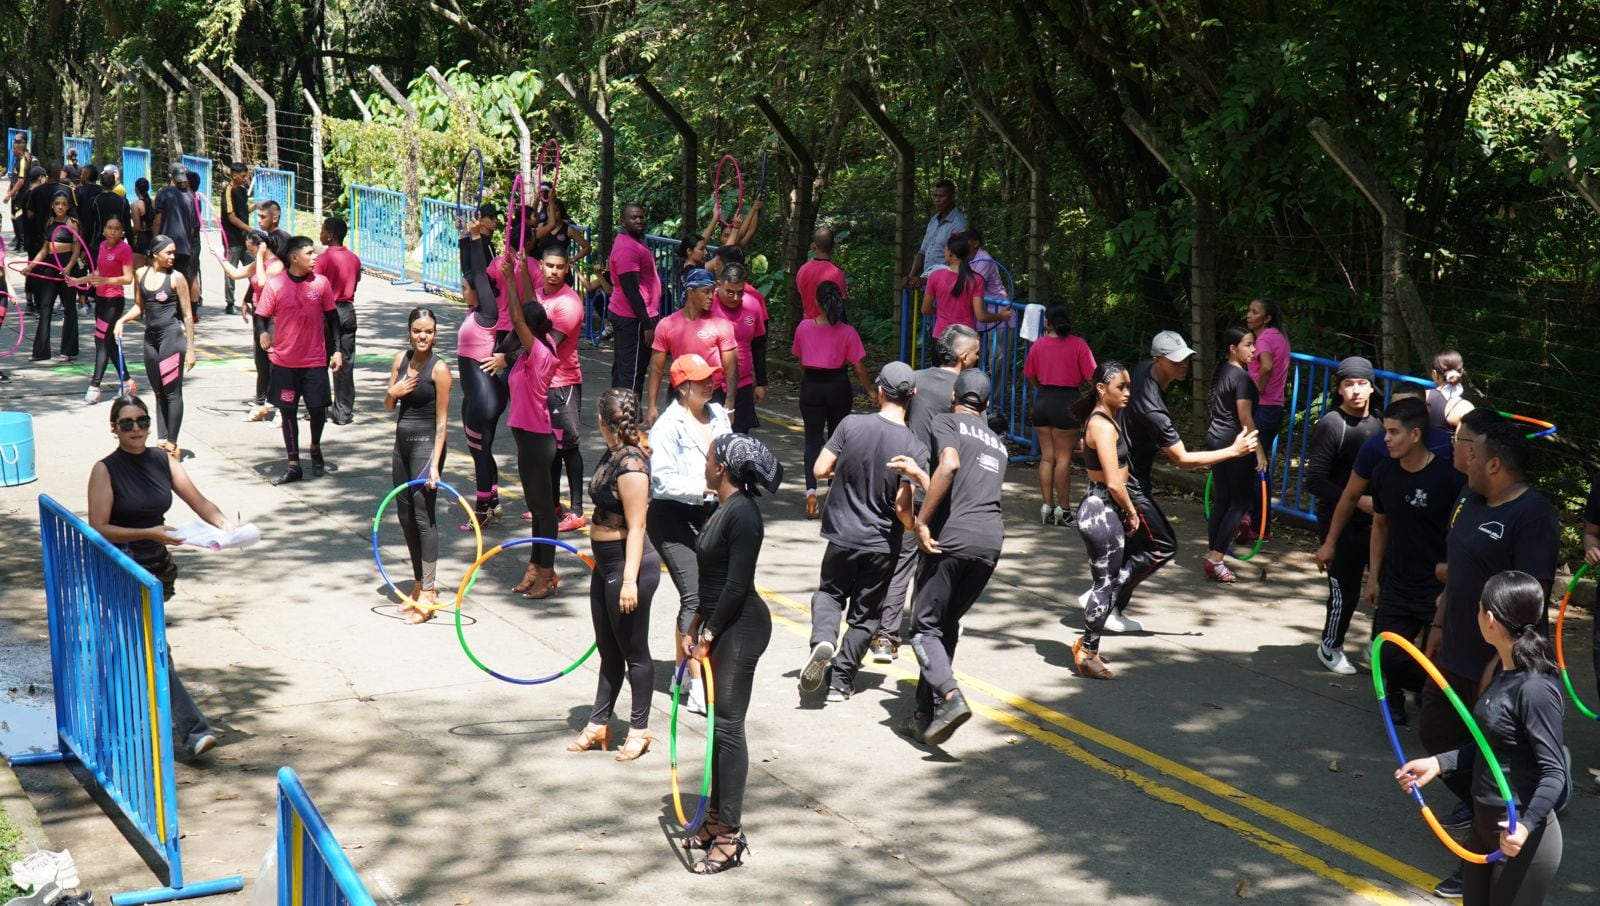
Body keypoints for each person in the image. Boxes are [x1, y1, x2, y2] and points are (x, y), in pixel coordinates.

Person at [1397, 571, 1566, 905]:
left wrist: (1525, 826)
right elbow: (1490, 747)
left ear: (1489, 619)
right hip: (1485, 826)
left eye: (1478, 609)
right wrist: (1438, 763)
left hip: (1522, 835)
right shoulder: (1504, 671)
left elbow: (1555, 771)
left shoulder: (1535, 688)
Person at [88, 394, 231, 761]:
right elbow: (100, 528)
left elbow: (199, 502)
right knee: (153, 649)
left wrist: (226, 527)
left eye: (142, 421)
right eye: (127, 423)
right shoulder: (105, 469)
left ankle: (105, 728)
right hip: (123, 568)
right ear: (114, 429)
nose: (136, 429)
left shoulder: (162, 460)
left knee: (133, 649)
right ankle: (194, 731)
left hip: (157, 568)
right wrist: (150, 532)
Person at [679, 433, 781, 874]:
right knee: (718, 730)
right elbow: (713, 579)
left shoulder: (744, 515)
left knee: (728, 729)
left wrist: (710, 632)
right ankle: (716, 819)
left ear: (721, 467)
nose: (703, 463)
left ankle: (731, 837)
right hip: (721, 623)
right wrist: (694, 622)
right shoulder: (722, 508)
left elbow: (737, 586)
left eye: (707, 457)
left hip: (742, 628)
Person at [890, 370, 1006, 746]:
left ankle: (952, 698)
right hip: (989, 543)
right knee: (947, 623)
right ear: (986, 406)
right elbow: (967, 487)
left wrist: (922, 522)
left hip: (953, 540)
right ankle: (926, 714)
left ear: (954, 396)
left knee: (924, 628)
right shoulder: (998, 443)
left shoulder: (946, 421)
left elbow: (951, 465)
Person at [802, 362, 926, 703]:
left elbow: (820, 468)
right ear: (912, 396)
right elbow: (904, 506)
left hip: (842, 534)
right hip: (882, 543)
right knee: (866, 614)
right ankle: (841, 680)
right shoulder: (914, 447)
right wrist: (909, 527)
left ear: (880, 392)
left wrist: (849, 469)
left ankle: (824, 638)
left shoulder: (850, 424)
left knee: (829, 594)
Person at [1118, 331, 1258, 631]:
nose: (1183, 365)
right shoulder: (1154, 408)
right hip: (1128, 478)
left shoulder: (1143, 370)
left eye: (1185, 358)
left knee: (1133, 543)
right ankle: (1105, 596)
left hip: (1127, 469)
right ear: (1158, 360)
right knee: (1163, 545)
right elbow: (1181, 459)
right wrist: (1233, 451)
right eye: (1175, 360)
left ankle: (1113, 607)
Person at [877, 325, 980, 659]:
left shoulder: (916, 378)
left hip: (909, 481)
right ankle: (926, 629)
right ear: (964, 357)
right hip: (945, 491)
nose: (978, 358)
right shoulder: (968, 395)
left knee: (902, 561)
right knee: (934, 563)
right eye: (976, 352)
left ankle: (886, 637)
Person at [570, 388, 660, 761]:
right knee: (608, 650)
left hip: (628, 566)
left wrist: (628, 581)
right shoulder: (614, 453)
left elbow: (637, 527)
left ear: (603, 421)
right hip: (606, 564)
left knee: (634, 652)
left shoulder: (632, 466)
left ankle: (640, 729)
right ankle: (598, 723)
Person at [1364, 397, 1464, 725]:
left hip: (1435, 585)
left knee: (1434, 655)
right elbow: (1380, 524)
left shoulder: (1449, 480)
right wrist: (1374, 576)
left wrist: (1452, 582)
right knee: (1388, 654)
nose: (1386, 439)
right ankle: (1400, 693)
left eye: (1394, 432)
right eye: (1385, 432)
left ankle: (1432, 694)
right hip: (1396, 580)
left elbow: (1461, 536)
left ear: (1416, 435)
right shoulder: (1383, 473)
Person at [651, 354, 732, 717]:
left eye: (712, 377)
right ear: (682, 388)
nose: (710, 383)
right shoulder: (667, 426)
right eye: (701, 380)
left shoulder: (718, 415)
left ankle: (679, 673)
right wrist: (706, 488)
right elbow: (661, 481)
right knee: (695, 594)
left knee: (708, 595)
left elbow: (732, 456)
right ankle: (698, 685)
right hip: (671, 517)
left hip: (710, 514)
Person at [1303, 356, 1382, 673]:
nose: (1356, 390)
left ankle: (1376, 644)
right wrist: (1356, 501)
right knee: (1344, 590)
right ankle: (1330, 645)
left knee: (1384, 587)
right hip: (1338, 522)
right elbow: (1316, 481)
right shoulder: (1332, 425)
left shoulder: (1379, 424)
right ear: (1339, 390)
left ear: (1372, 387)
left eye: (1362, 383)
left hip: (1375, 523)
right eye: (1349, 384)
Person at [382, 307, 452, 622]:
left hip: (426, 447)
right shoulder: (400, 360)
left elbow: (442, 423)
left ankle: (430, 591)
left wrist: (435, 465)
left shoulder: (440, 370)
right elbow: (388, 406)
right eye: (418, 331)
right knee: (405, 516)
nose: (423, 336)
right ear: (409, 332)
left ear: (435, 334)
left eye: (429, 331)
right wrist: (393, 391)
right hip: (402, 446)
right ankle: (418, 583)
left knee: (423, 517)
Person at [1070, 362, 1139, 680]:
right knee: (1104, 585)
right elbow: (1113, 482)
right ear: (1101, 388)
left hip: (1102, 509)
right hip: (1102, 509)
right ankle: (1087, 651)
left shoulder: (1104, 419)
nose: (1127, 392)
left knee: (1110, 582)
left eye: (1128, 386)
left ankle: (1087, 645)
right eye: (1120, 387)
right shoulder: (1103, 425)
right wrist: (1132, 511)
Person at [256, 236, 340, 485]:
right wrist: (262, 332)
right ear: (294, 258)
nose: (315, 257)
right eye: (310, 253)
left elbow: (333, 319)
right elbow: (261, 315)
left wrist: (336, 351)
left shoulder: (321, 284)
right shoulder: (276, 285)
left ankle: (314, 447)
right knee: (288, 412)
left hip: (314, 361)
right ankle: (294, 463)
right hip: (284, 362)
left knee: (317, 410)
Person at [792, 280, 874, 519]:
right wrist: (869, 390)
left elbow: (801, 361)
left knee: (812, 442)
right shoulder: (848, 332)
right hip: (838, 387)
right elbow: (858, 367)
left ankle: (810, 494)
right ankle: (833, 495)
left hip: (812, 387)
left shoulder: (804, 328)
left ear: (816, 302)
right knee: (837, 442)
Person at [505, 261, 563, 599]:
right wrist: (519, 271)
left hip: (536, 442)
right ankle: (534, 567)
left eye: (523, 327)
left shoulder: (540, 352)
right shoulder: (537, 347)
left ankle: (547, 573)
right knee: (537, 511)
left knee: (544, 512)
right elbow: (529, 308)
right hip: (528, 440)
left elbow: (517, 316)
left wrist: (506, 282)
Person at [111, 236, 195, 456]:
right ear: (155, 253)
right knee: (158, 392)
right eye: (168, 253)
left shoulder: (176, 278)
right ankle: (161, 438)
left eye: (174, 253)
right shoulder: (141, 274)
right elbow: (139, 306)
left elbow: (187, 315)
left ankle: (172, 442)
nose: (172, 257)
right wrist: (122, 320)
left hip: (171, 338)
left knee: (172, 392)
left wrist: (191, 349)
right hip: (151, 338)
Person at [1202, 326, 1265, 582]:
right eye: (1248, 345)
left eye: (1253, 344)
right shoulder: (1242, 379)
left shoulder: (1222, 371)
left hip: (1216, 438)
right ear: (1233, 348)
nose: (1254, 350)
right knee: (1238, 502)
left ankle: (1212, 555)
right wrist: (1258, 449)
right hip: (1235, 441)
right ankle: (1216, 558)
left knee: (1223, 499)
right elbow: (1245, 417)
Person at [1023, 304, 1095, 527]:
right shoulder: (1079, 344)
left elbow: (1030, 375)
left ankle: (1047, 506)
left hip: (1043, 400)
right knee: (1063, 459)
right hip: (1067, 402)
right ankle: (1064, 511)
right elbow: (1092, 376)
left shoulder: (1039, 345)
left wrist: (1042, 387)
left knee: (1047, 457)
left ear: (1047, 323)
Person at [534, 244, 588, 532]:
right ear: (541, 266)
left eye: (559, 267)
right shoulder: (538, 294)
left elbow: (546, 344)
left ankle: (577, 511)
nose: (554, 271)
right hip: (542, 383)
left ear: (566, 269)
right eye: (549, 266)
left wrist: (508, 357)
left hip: (562, 383)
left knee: (569, 447)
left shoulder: (569, 303)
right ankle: (552, 504)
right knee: (550, 449)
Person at [646, 267, 737, 425]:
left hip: (712, 393)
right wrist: (651, 405)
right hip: (679, 392)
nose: (711, 297)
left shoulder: (722, 325)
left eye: (712, 292)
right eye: (705, 292)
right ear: (690, 293)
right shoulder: (667, 325)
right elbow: (656, 369)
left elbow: (732, 368)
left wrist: (729, 403)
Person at [608, 203, 663, 395]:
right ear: (623, 221)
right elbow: (630, 289)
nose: (639, 220)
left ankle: (617, 414)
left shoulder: (633, 243)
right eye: (633, 217)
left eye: (641, 216)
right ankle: (626, 417)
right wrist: (647, 323)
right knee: (631, 372)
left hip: (635, 316)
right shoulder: (627, 248)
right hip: (634, 319)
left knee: (626, 367)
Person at [82, 215, 135, 404]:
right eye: (109, 227)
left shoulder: (125, 249)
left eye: (117, 228)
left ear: (121, 232)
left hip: (114, 301)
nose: (113, 231)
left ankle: (94, 387)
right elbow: (97, 273)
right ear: (104, 230)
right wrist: (77, 281)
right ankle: (128, 382)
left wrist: (105, 281)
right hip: (101, 299)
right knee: (109, 342)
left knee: (101, 340)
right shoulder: (102, 246)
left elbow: (128, 278)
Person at [315, 217, 362, 425]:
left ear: (330, 235)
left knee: (320, 360)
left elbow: (315, 288)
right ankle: (343, 412)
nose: (321, 233)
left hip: (328, 312)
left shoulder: (323, 260)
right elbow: (356, 282)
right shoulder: (353, 258)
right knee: (346, 360)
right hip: (348, 309)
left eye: (323, 230)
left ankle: (319, 406)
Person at [26, 190, 83, 363]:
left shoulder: (72, 223)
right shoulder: (50, 222)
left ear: (68, 207)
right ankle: (41, 351)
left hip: (66, 266)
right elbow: (45, 250)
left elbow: (77, 250)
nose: (60, 207)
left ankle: (68, 350)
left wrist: (68, 267)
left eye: (64, 204)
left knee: (69, 309)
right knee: (45, 308)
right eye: (57, 203)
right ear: (52, 205)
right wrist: (31, 266)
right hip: (51, 266)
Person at [712, 263, 769, 434]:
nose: (735, 297)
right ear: (719, 285)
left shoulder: (752, 305)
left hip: (743, 384)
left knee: (740, 438)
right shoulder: (707, 305)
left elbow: (759, 345)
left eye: (740, 292)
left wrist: (761, 382)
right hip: (711, 384)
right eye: (730, 292)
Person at [921, 233, 1009, 339]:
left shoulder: (935, 276)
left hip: (941, 336)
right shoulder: (976, 280)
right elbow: (981, 316)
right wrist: (1001, 316)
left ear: (949, 253)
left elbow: (925, 309)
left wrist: (940, 311)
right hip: (966, 337)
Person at [902, 178, 968, 288]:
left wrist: (927, 279)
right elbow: (922, 252)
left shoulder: (959, 224)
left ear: (952, 197)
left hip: (946, 285)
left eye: (942, 196)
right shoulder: (934, 220)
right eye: (935, 196)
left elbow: (957, 261)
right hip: (928, 284)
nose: (937, 199)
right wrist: (911, 276)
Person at [151, 165, 196, 305]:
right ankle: (181, 314)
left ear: (171, 177)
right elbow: (193, 227)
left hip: (165, 246)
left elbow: (158, 220)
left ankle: (165, 309)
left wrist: (154, 241)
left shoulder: (164, 193)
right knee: (181, 279)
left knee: (164, 279)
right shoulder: (190, 197)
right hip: (184, 247)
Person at [794, 226, 845, 321]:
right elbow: (840, 307)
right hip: (831, 329)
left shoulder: (802, 270)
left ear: (813, 246)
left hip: (807, 327)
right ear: (834, 245)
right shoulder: (837, 274)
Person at [221, 163, 251, 315]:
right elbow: (231, 217)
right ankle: (230, 303)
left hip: (245, 239)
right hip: (232, 238)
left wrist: (256, 207)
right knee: (231, 271)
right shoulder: (228, 191)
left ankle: (254, 299)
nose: (246, 179)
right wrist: (249, 228)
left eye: (246, 175)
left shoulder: (242, 191)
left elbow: (243, 211)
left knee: (253, 268)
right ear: (234, 175)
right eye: (243, 176)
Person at [1428, 349, 1475, 436]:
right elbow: (1463, 445)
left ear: (1434, 374)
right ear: (1461, 372)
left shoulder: (1421, 396)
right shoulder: (1465, 408)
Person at [129, 176, 155, 268]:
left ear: (136, 189)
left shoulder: (135, 205)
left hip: (141, 239)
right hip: (152, 236)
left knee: (138, 270)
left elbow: (136, 227)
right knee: (151, 268)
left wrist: (128, 233)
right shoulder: (153, 202)